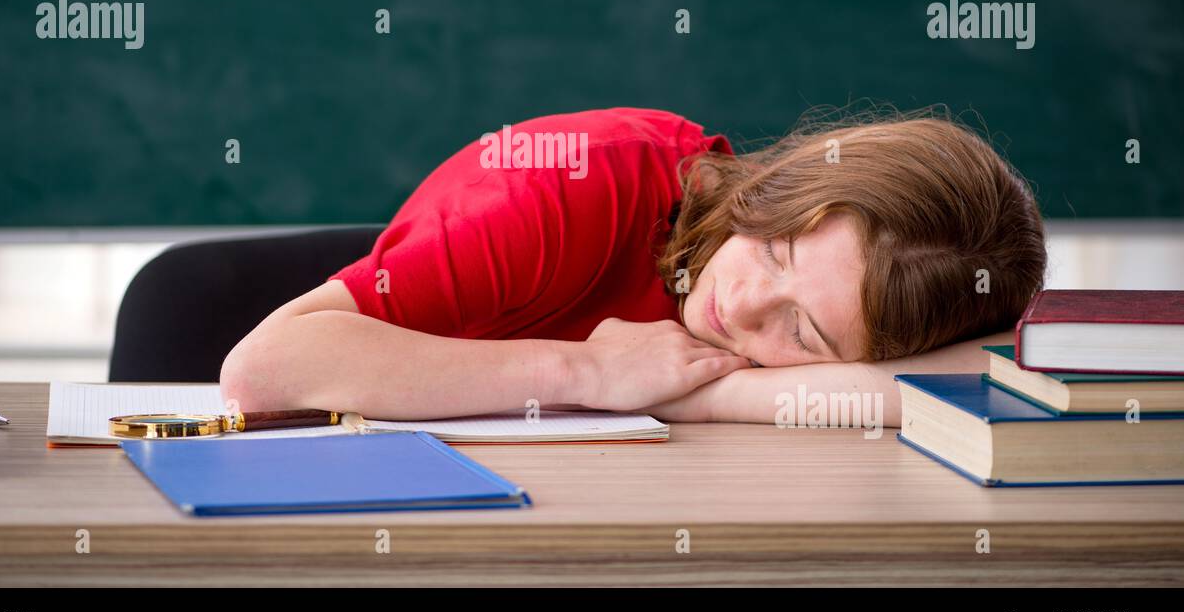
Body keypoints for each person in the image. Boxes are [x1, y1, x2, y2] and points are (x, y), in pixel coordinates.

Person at [219, 106, 1047, 427]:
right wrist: (589, 369)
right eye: (779, 247)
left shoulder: (783, 317)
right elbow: (262, 369)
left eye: (803, 329)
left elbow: (995, 372)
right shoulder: (567, 186)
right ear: (786, 182)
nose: (745, 302)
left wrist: (717, 397)